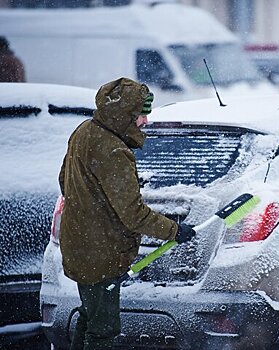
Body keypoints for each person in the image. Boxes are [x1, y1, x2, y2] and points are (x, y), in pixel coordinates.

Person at [59, 77, 196, 350]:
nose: (145, 121)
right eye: (141, 115)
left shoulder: (84, 131)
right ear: (124, 115)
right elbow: (133, 214)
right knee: (104, 330)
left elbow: (64, 180)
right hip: (101, 254)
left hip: (79, 246)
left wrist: (93, 204)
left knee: (90, 318)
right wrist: (175, 231)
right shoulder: (114, 150)